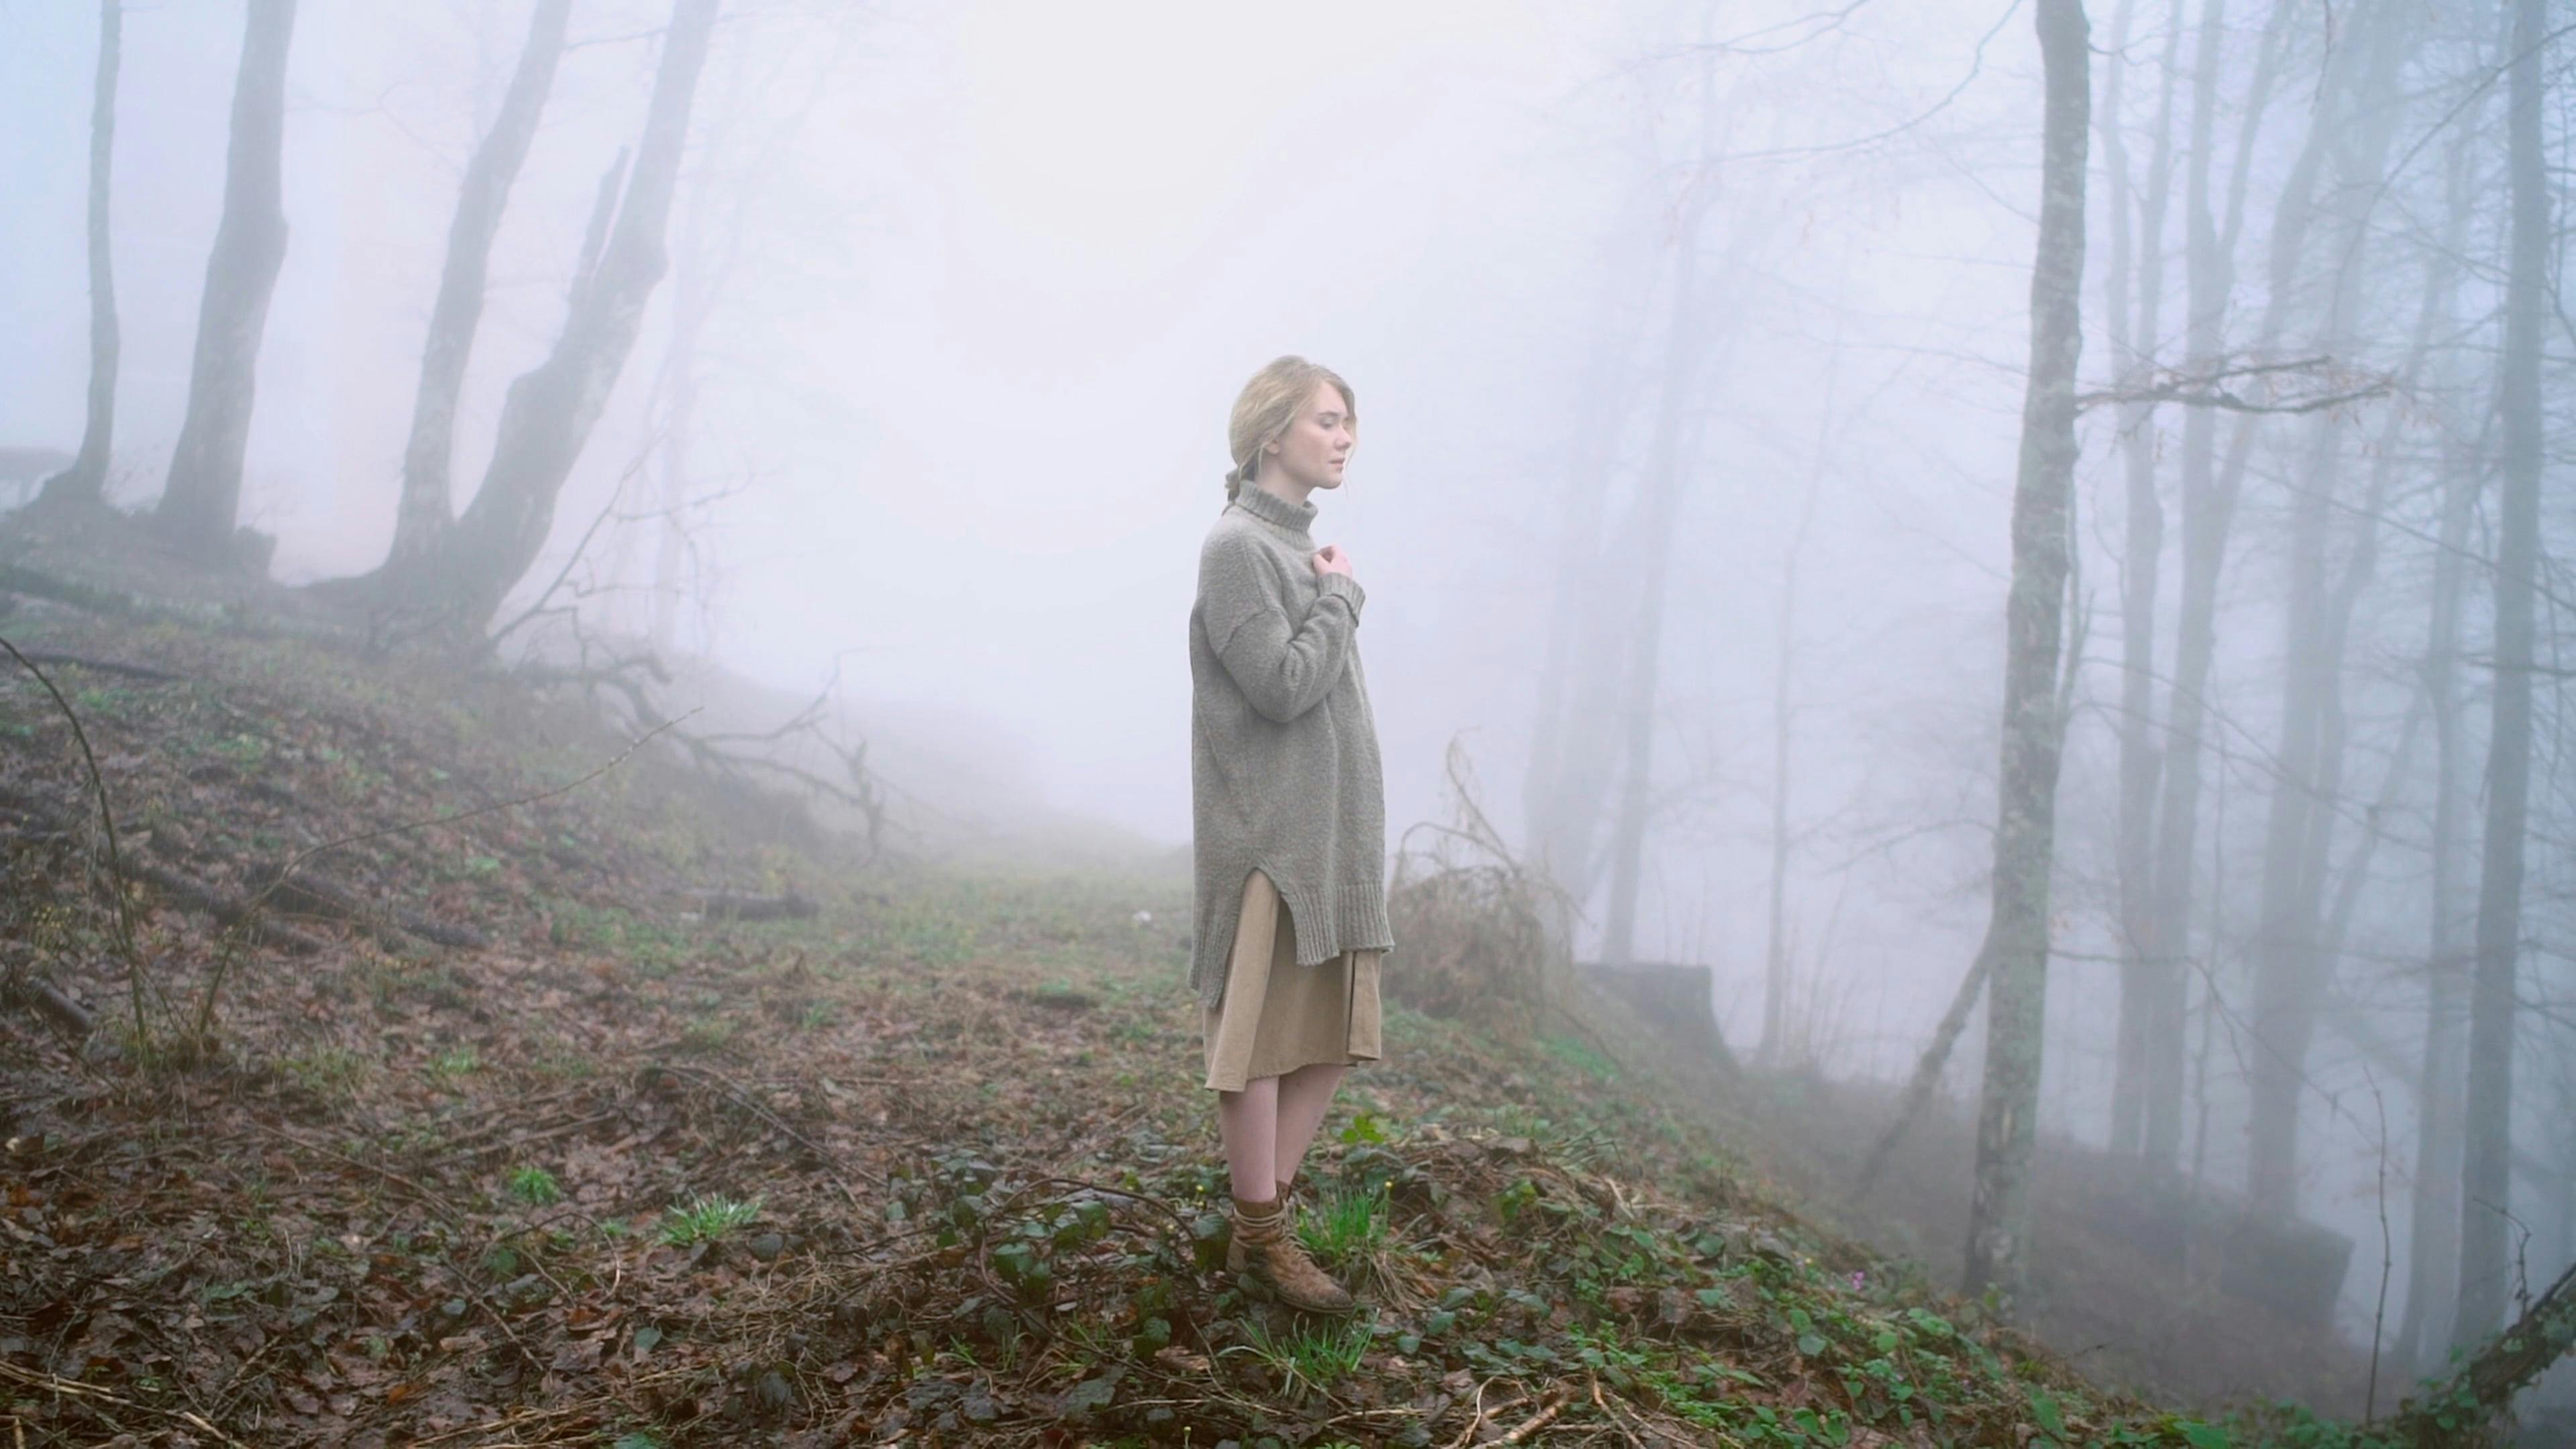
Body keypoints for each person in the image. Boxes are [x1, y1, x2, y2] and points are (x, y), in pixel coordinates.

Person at [1187, 355, 1391, 1315]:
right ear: (1273, 432)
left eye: (1348, 422)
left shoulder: (1298, 550)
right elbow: (1279, 687)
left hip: (1329, 837)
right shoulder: (1237, 549)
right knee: (1258, 1042)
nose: (1345, 437)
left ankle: (1258, 1229)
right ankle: (1265, 1238)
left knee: (1325, 1040)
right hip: (1268, 839)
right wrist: (1341, 599)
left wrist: (1330, 589)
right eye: (1327, 420)